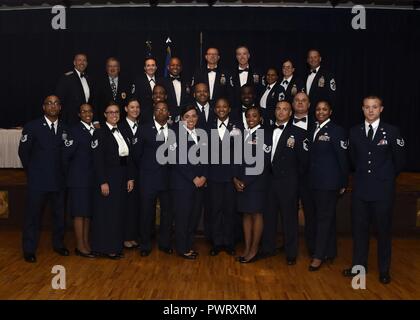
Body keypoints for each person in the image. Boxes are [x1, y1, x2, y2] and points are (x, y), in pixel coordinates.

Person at [343, 95, 406, 284]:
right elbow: (353, 160)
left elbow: (400, 162)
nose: (371, 110)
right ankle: (359, 268)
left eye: (374, 107)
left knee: (383, 233)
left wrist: (384, 179)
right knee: (359, 232)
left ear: (381, 109)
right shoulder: (354, 132)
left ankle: (384, 270)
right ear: (362, 109)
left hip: (382, 192)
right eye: (367, 107)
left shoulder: (392, 132)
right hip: (361, 191)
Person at [18, 95, 69, 262]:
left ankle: (58, 245)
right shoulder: (32, 127)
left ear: (60, 107)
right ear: (43, 107)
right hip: (38, 181)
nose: (53, 106)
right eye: (49, 103)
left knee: (59, 215)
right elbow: (23, 153)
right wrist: (32, 173)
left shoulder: (65, 128)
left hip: (58, 181)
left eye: (56, 103)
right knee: (33, 217)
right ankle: (29, 249)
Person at [260, 101, 308, 264]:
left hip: (288, 184)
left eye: (285, 109)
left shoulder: (299, 133)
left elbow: (303, 163)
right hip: (269, 182)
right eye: (278, 108)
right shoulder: (266, 131)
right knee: (269, 218)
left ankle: (291, 253)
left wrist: (297, 183)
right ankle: (268, 248)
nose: (281, 112)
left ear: (290, 112)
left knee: (289, 220)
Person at [307, 101, 348, 271]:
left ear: (330, 111)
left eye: (324, 109)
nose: (321, 112)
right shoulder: (313, 129)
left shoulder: (336, 130)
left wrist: (343, 182)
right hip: (315, 182)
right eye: (318, 109)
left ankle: (318, 256)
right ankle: (329, 251)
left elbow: (343, 159)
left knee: (323, 219)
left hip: (329, 183)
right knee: (325, 218)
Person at [90, 102, 135, 259]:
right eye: (110, 112)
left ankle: (115, 246)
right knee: (106, 214)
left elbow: (127, 157)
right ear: (104, 115)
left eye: (116, 112)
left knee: (117, 213)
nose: (114, 115)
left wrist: (130, 177)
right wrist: (103, 181)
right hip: (108, 178)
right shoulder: (100, 133)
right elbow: (97, 160)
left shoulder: (122, 130)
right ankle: (105, 248)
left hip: (121, 177)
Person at [135, 101, 173, 256]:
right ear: (154, 112)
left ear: (168, 112)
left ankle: (164, 243)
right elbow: (136, 155)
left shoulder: (175, 130)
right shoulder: (144, 129)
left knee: (167, 214)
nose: (161, 111)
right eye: (158, 109)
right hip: (148, 179)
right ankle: (145, 245)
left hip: (168, 179)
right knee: (146, 213)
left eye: (164, 109)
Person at [233, 106, 270, 263]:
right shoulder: (243, 134)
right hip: (240, 182)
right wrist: (235, 178)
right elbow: (235, 158)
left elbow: (262, 162)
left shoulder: (265, 134)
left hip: (256, 183)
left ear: (260, 118)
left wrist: (245, 182)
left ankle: (254, 250)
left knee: (256, 215)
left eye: (254, 116)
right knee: (246, 215)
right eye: (248, 116)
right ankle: (247, 248)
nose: (251, 119)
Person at [170, 105, 208, 259]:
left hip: (199, 184)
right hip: (183, 184)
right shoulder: (174, 134)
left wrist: (204, 176)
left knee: (194, 216)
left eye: (193, 116)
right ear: (181, 119)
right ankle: (182, 248)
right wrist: (194, 178)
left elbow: (208, 157)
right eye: (187, 116)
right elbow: (177, 160)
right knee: (183, 217)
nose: (191, 119)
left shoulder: (202, 134)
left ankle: (188, 244)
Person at [207, 97, 241, 256]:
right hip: (213, 176)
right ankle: (217, 242)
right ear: (215, 110)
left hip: (230, 177)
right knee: (215, 210)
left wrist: (236, 175)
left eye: (224, 106)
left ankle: (229, 242)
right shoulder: (208, 127)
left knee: (229, 210)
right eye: (218, 107)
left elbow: (240, 153)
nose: (221, 109)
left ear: (229, 109)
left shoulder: (238, 127)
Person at [62, 103, 96, 258]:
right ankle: (80, 246)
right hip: (78, 179)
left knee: (87, 213)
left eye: (89, 111)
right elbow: (66, 156)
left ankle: (86, 243)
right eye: (83, 111)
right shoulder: (74, 131)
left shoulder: (95, 130)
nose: (87, 114)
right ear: (79, 114)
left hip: (91, 179)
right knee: (79, 213)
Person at [292, 92, 317, 256]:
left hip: (310, 178)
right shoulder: (283, 124)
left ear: (309, 104)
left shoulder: (317, 126)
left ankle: (313, 247)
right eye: (297, 100)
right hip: (289, 177)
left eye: (304, 100)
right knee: (288, 213)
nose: (300, 103)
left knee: (311, 213)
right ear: (293, 104)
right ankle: (290, 248)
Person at [118, 98, 141, 249]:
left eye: (137, 107)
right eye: (132, 107)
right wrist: (129, 176)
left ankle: (133, 235)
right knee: (126, 206)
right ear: (126, 109)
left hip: (141, 173)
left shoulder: (143, 126)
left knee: (136, 206)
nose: (135, 110)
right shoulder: (120, 127)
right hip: (126, 173)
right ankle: (125, 237)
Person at [56, 53, 94, 125]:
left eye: (84, 60)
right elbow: (60, 100)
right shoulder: (66, 78)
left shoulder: (89, 78)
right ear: (74, 62)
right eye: (79, 60)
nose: (82, 63)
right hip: (71, 120)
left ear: (87, 63)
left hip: (86, 118)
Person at [94, 57, 131, 123]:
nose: (112, 68)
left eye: (115, 66)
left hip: (122, 121)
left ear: (119, 68)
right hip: (103, 121)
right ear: (106, 68)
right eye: (110, 66)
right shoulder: (99, 83)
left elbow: (129, 102)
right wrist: (96, 121)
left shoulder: (126, 83)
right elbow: (95, 102)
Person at [229, 46, 263, 110]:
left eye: (244, 54)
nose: (242, 57)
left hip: (254, 109)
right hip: (235, 109)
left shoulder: (258, 72)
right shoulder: (230, 73)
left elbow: (260, 91)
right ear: (236, 57)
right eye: (239, 54)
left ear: (248, 55)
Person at [158, 57, 192, 122]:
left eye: (178, 65)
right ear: (168, 67)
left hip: (184, 118)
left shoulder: (186, 82)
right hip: (168, 118)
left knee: (182, 132)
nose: (175, 67)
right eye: (173, 65)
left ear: (181, 68)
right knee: (169, 132)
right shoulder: (162, 82)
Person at [132, 57, 158, 124]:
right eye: (148, 65)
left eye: (153, 65)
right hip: (143, 117)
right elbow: (135, 99)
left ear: (156, 67)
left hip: (159, 116)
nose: (151, 67)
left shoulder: (161, 80)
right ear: (145, 68)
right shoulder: (138, 81)